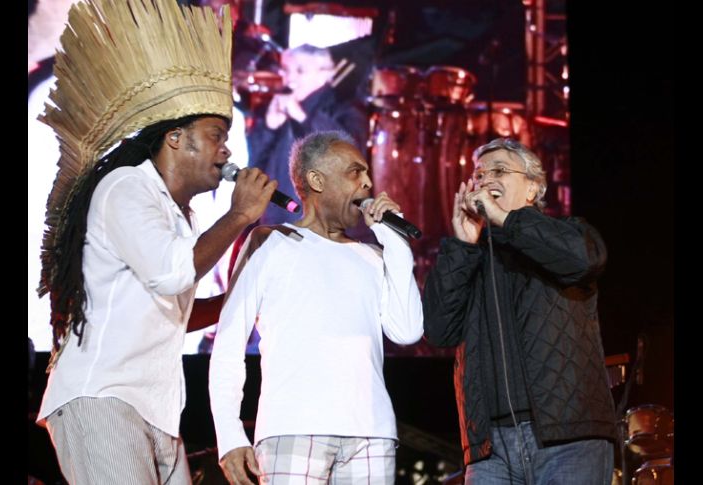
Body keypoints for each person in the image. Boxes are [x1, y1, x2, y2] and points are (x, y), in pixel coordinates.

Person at [34, 1, 277, 483]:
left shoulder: (174, 213)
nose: (227, 151)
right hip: (104, 398)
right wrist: (241, 215)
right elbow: (172, 274)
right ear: (174, 138)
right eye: (215, 135)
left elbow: (172, 306)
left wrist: (237, 302)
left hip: (154, 409)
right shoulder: (126, 188)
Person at [209, 130, 424, 485]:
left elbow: (408, 330)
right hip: (292, 430)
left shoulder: (373, 255)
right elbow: (229, 346)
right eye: (356, 172)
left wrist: (394, 240)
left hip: (371, 434)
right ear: (316, 180)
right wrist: (230, 436)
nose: (369, 183)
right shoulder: (270, 241)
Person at [422, 138, 616, 485]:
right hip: (490, 449)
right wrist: (461, 248)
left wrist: (505, 220)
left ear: (532, 187)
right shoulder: (472, 258)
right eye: (479, 175)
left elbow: (584, 260)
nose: (485, 180)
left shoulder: (568, 232)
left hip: (567, 439)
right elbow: (438, 330)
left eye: (499, 170)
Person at [247, 44, 368, 226]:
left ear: (325, 74)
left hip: (324, 231)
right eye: (287, 71)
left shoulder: (346, 109)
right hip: (276, 225)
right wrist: (269, 128)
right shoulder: (281, 108)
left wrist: (303, 117)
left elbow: (347, 157)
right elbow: (254, 164)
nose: (290, 79)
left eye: (300, 71)